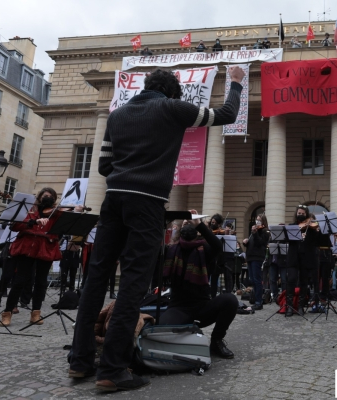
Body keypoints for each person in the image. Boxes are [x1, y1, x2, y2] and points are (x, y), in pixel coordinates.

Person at [68, 66, 244, 391]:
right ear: (172, 92)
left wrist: (129, 164)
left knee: (95, 279)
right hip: (147, 202)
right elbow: (226, 114)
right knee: (133, 284)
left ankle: (80, 362)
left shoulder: (117, 115)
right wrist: (235, 82)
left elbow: (104, 165)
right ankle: (112, 369)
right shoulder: (172, 108)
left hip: (114, 199)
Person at [160, 215, 238, 359]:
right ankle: (187, 336)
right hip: (178, 308)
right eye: (185, 223)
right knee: (162, 330)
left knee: (231, 300)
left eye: (191, 224)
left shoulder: (205, 250)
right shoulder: (170, 250)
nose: (188, 225)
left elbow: (217, 246)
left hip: (202, 307)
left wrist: (199, 224)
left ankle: (216, 341)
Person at [0, 188, 77, 327]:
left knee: (41, 283)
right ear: (39, 197)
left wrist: (76, 210)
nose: (48, 198)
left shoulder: (56, 214)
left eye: (51, 196)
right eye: (45, 195)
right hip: (27, 247)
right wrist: (33, 222)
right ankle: (7, 312)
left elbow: (65, 227)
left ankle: (36, 313)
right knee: (19, 282)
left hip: (45, 248)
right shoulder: (29, 210)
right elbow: (16, 226)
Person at [285, 205, 320, 316]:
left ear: (306, 214)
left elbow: (316, 242)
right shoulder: (292, 226)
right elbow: (287, 239)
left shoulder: (311, 228)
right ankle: (289, 306)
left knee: (303, 282)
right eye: (299, 213)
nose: (300, 215)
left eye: (303, 213)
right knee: (291, 279)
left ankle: (300, 306)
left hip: (305, 258)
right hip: (293, 257)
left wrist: (314, 232)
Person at [242, 214, 270, 310]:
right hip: (250, 257)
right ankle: (256, 299)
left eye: (259, 220)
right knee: (252, 280)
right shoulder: (254, 231)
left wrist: (254, 233)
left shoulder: (265, 232)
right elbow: (252, 243)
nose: (257, 222)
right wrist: (245, 242)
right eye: (256, 220)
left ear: (263, 222)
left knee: (257, 280)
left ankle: (259, 301)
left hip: (257, 257)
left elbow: (259, 243)